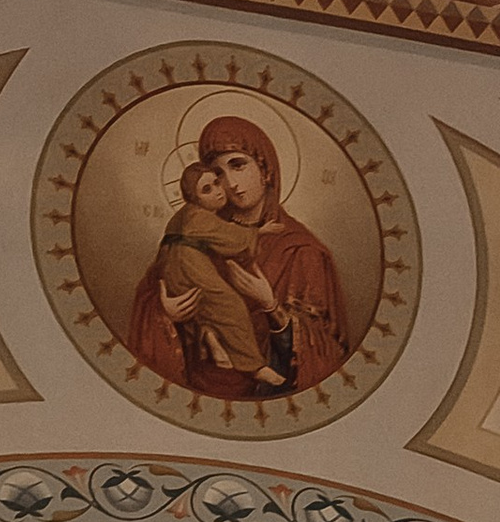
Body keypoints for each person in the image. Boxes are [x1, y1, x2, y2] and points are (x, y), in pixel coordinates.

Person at [126, 115, 351, 401]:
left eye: (238, 165)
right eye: (218, 174)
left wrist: (271, 305)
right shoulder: (196, 230)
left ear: (265, 169)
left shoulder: (302, 251)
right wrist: (165, 314)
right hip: (194, 392)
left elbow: (327, 351)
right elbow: (153, 293)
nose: (230, 183)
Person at [153, 155, 270, 382]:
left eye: (217, 183)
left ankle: (210, 337)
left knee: (207, 307)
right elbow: (230, 239)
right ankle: (254, 365)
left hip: (175, 270)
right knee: (229, 304)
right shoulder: (199, 216)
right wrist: (257, 233)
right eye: (207, 189)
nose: (221, 190)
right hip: (189, 265)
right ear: (194, 198)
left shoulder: (184, 216)